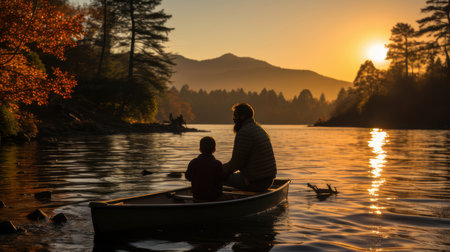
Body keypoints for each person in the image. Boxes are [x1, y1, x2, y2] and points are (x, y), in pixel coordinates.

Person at [222, 103, 277, 192]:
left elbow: (236, 164)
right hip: (267, 179)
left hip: (255, 182)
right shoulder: (258, 129)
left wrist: (217, 170)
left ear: (242, 117)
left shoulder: (245, 133)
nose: (233, 119)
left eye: (235, 116)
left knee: (215, 177)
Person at [185, 136, 224, 201]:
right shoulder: (217, 164)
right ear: (214, 150)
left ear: (200, 149)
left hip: (197, 196)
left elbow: (188, 177)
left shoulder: (193, 162)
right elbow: (222, 178)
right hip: (214, 197)